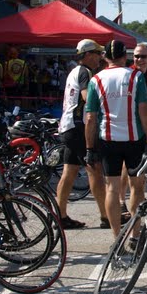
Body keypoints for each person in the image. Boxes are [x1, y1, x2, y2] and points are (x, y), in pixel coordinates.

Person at [83, 40, 147, 239]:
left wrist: (89, 148)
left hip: (108, 139)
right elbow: (144, 112)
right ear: (125, 57)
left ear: (105, 57)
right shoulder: (135, 76)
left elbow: (90, 118)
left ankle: (116, 238)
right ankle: (135, 234)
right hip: (134, 139)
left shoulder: (95, 79)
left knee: (112, 188)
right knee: (137, 188)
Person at [56, 39, 108, 230]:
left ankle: (60, 216)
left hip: (68, 126)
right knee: (94, 168)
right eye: (97, 54)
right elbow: (87, 98)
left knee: (69, 172)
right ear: (87, 55)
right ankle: (106, 215)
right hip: (78, 128)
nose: (99, 58)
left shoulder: (73, 71)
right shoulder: (85, 72)